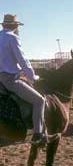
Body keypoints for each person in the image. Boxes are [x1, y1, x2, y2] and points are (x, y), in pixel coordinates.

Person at [0, 14, 47, 145]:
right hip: (10, 80)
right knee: (40, 101)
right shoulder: (13, 37)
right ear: (14, 26)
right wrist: (32, 77)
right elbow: (23, 60)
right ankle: (38, 134)